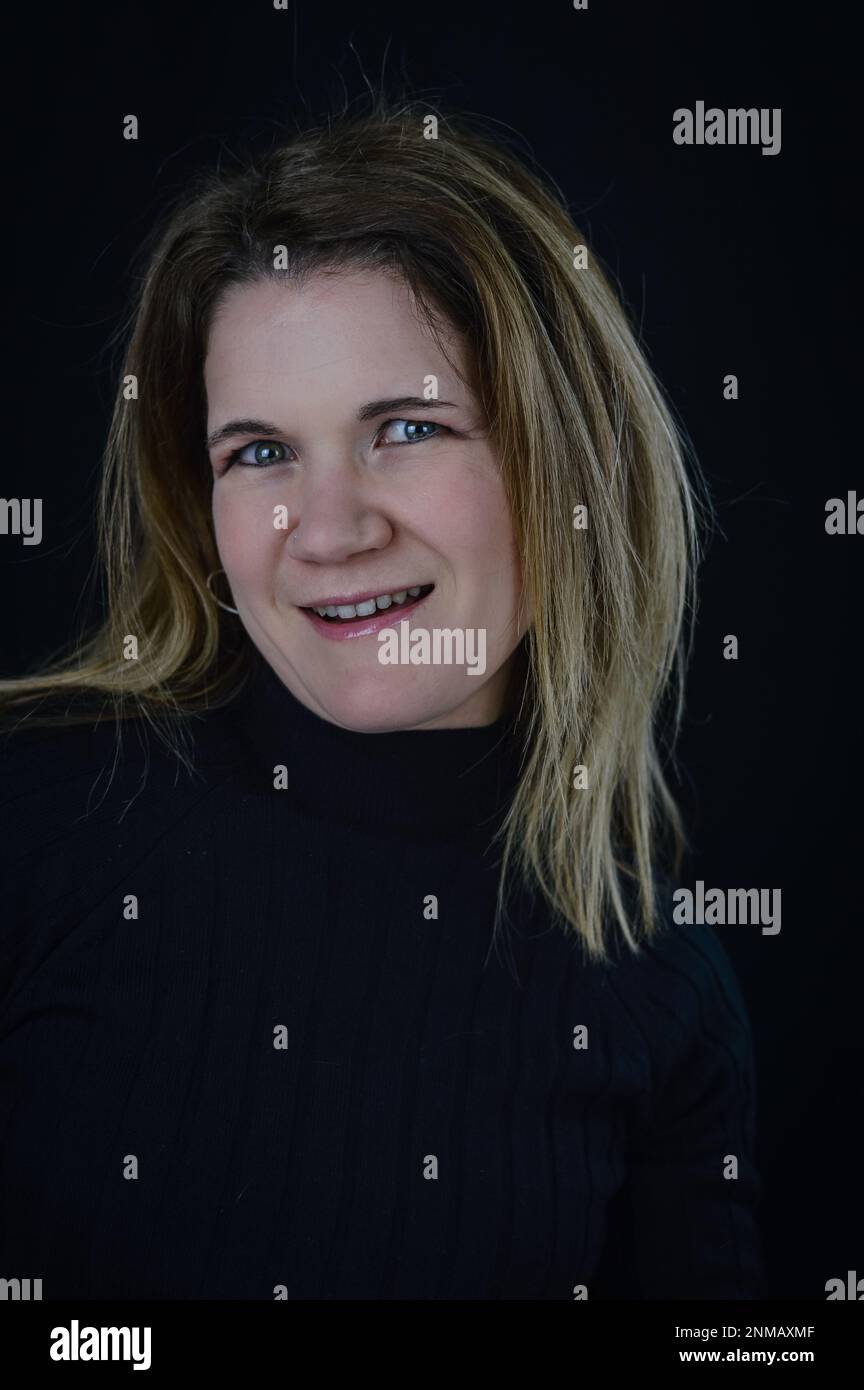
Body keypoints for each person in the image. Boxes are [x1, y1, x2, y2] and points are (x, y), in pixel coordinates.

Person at [0, 102, 764, 1300]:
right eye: (260, 453)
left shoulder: (654, 987)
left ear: (559, 460)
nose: (335, 529)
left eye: (406, 428)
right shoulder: (38, 822)